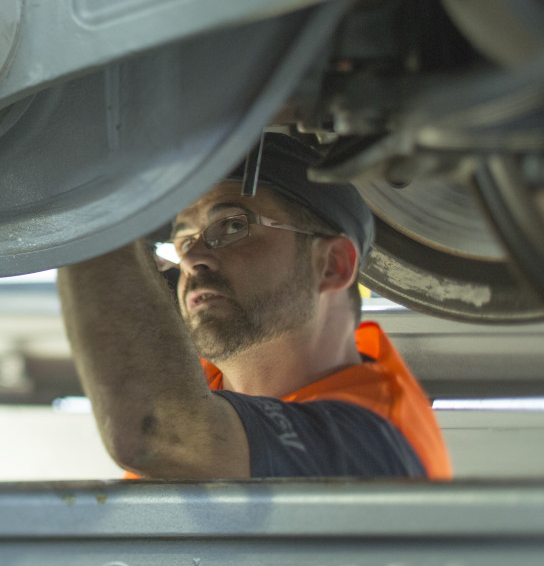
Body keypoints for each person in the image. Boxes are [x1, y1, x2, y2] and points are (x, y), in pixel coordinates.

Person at [57, 133, 451, 480]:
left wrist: (85, 184)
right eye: (182, 242)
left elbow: (158, 431)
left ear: (332, 265)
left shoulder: (375, 447)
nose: (192, 259)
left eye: (232, 226)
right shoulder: (203, 387)